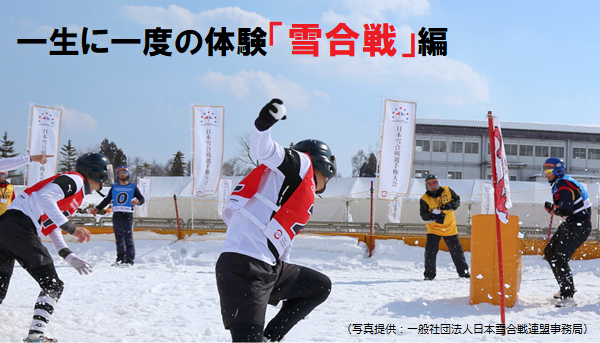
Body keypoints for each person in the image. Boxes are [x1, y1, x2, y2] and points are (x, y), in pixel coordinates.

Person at [216, 98, 335, 342]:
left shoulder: (297, 187)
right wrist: (264, 124)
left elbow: (283, 237)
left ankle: (270, 338)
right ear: (325, 164)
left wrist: (284, 271)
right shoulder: (302, 165)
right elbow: (263, 150)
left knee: (319, 286)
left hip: (269, 266)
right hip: (244, 267)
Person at [0, 152, 108, 342]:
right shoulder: (75, 179)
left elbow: (50, 223)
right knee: (52, 284)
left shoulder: (77, 193)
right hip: (20, 226)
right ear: (96, 172)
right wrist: (71, 228)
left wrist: (67, 255)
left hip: (8, 227)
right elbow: (45, 197)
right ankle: (36, 335)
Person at [542, 157, 592, 308]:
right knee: (550, 252)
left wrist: (552, 210)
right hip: (572, 223)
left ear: (558, 170)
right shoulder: (562, 182)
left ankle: (568, 296)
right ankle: (564, 287)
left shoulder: (563, 183)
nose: (546, 173)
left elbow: (566, 210)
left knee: (559, 258)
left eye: (549, 170)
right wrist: (555, 208)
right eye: (544, 170)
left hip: (578, 225)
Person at [419, 174, 470, 281]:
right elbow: (424, 216)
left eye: (435, 183)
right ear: (426, 186)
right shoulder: (424, 199)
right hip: (434, 229)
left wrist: (452, 205)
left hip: (450, 227)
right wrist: (434, 216)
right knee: (430, 252)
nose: (433, 186)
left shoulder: (447, 190)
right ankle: (429, 275)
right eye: (430, 184)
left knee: (457, 251)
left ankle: (464, 272)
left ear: (438, 183)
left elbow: (457, 200)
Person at [91, 166, 144, 266]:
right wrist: (98, 208)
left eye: (124, 172)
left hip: (127, 214)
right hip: (117, 214)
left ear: (128, 174)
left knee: (128, 238)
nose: (123, 174)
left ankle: (129, 260)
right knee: (118, 238)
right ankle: (120, 259)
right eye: (120, 172)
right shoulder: (114, 187)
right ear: (117, 175)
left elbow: (142, 199)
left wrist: (138, 202)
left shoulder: (133, 187)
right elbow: (107, 199)